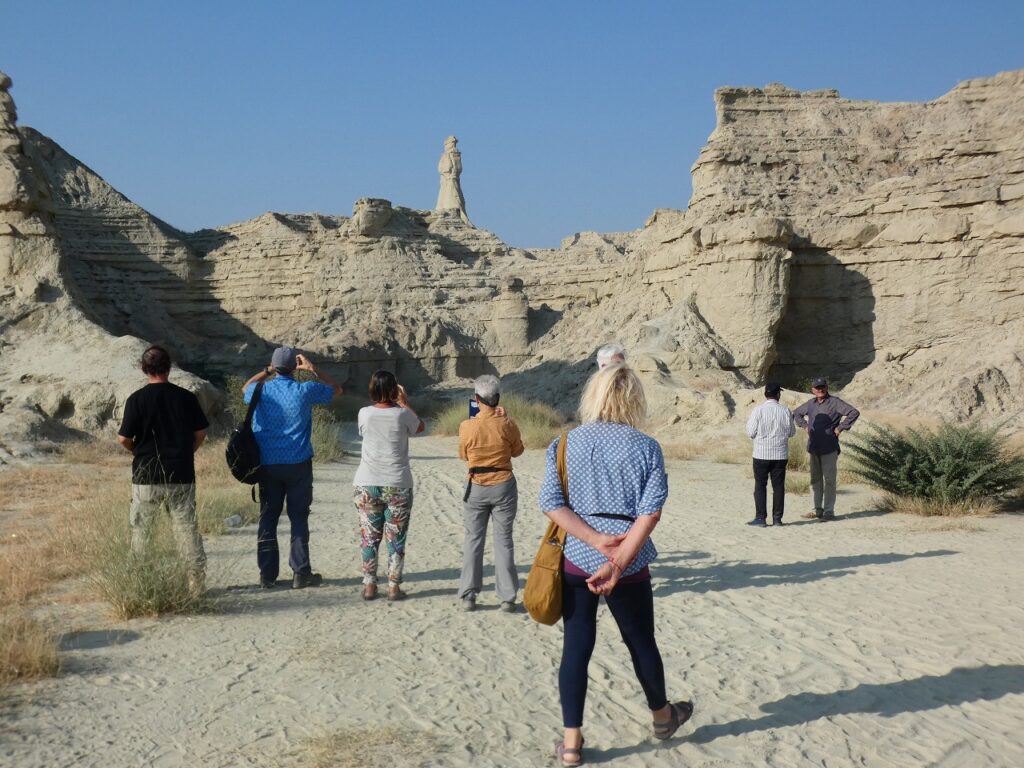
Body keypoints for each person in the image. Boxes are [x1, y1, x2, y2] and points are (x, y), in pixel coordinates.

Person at [538, 363, 693, 766]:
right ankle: (662, 717)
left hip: (577, 559)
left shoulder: (565, 443)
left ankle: (571, 743)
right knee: (641, 642)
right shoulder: (646, 447)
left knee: (576, 648)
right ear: (634, 400)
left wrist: (593, 540)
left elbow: (551, 504)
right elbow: (650, 512)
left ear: (593, 396)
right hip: (631, 560)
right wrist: (619, 560)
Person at [241, 347, 342, 588]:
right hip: (298, 463)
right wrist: (313, 369)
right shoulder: (305, 390)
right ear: (295, 367)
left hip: (267, 464)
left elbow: (245, 388)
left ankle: (267, 575)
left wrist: (265, 372)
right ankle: (300, 572)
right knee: (298, 517)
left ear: (274, 367)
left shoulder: (262, 389)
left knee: (268, 518)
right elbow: (337, 390)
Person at [117, 345, 209, 592]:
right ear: (169, 367)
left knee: (142, 531)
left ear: (144, 368)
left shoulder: (136, 399)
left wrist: (139, 452)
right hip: (181, 473)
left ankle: (140, 582)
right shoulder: (186, 398)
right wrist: (186, 451)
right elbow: (200, 433)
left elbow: (123, 438)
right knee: (186, 528)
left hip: (146, 475)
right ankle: (195, 581)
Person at [353, 370, 425, 602]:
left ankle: (369, 586)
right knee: (396, 539)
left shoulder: (364, 414)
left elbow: (363, 432)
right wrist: (405, 403)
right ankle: (393, 586)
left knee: (369, 538)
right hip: (397, 484)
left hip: (367, 483)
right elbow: (420, 427)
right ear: (395, 390)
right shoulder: (403, 415)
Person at [457, 375, 525, 613]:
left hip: (476, 484)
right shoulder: (507, 423)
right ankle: (507, 597)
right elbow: (518, 451)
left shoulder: (467, 426)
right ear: (497, 398)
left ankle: (469, 595)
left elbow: (463, 455)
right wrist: (505, 421)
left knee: (473, 540)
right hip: (503, 484)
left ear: (476, 399)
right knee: (504, 541)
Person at [793, 377, 860, 522]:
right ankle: (816, 510)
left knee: (829, 480)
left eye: (822, 387)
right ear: (812, 390)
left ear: (826, 387)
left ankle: (829, 512)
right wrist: (805, 426)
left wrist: (840, 428)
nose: (820, 390)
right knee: (815, 480)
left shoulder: (835, 402)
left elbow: (853, 412)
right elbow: (796, 413)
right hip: (814, 447)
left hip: (829, 447)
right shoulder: (810, 403)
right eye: (817, 388)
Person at [745, 382, 796, 527]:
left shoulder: (758, 410)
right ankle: (777, 519)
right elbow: (792, 432)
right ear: (778, 394)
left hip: (761, 453)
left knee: (760, 486)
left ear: (765, 394)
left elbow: (750, 432)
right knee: (778, 487)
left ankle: (761, 518)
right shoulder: (786, 411)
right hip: (780, 455)